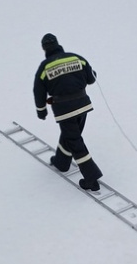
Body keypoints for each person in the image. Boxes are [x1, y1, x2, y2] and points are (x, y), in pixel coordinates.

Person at [34, 33, 103, 191]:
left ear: (44, 48)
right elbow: (91, 78)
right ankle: (62, 162)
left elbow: (38, 91)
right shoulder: (76, 58)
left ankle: (91, 178)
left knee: (74, 141)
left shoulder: (45, 67)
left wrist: (41, 110)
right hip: (83, 105)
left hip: (64, 110)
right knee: (71, 136)